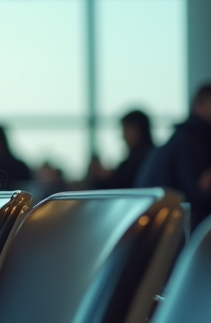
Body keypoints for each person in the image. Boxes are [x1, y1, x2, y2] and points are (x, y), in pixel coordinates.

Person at [136, 83, 211, 228]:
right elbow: (198, 192)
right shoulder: (190, 141)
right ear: (198, 106)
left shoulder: (186, 137)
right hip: (168, 229)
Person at [86, 109, 154, 190]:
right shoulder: (149, 157)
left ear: (137, 130)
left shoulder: (140, 160)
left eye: (126, 130)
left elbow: (120, 183)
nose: (123, 136)